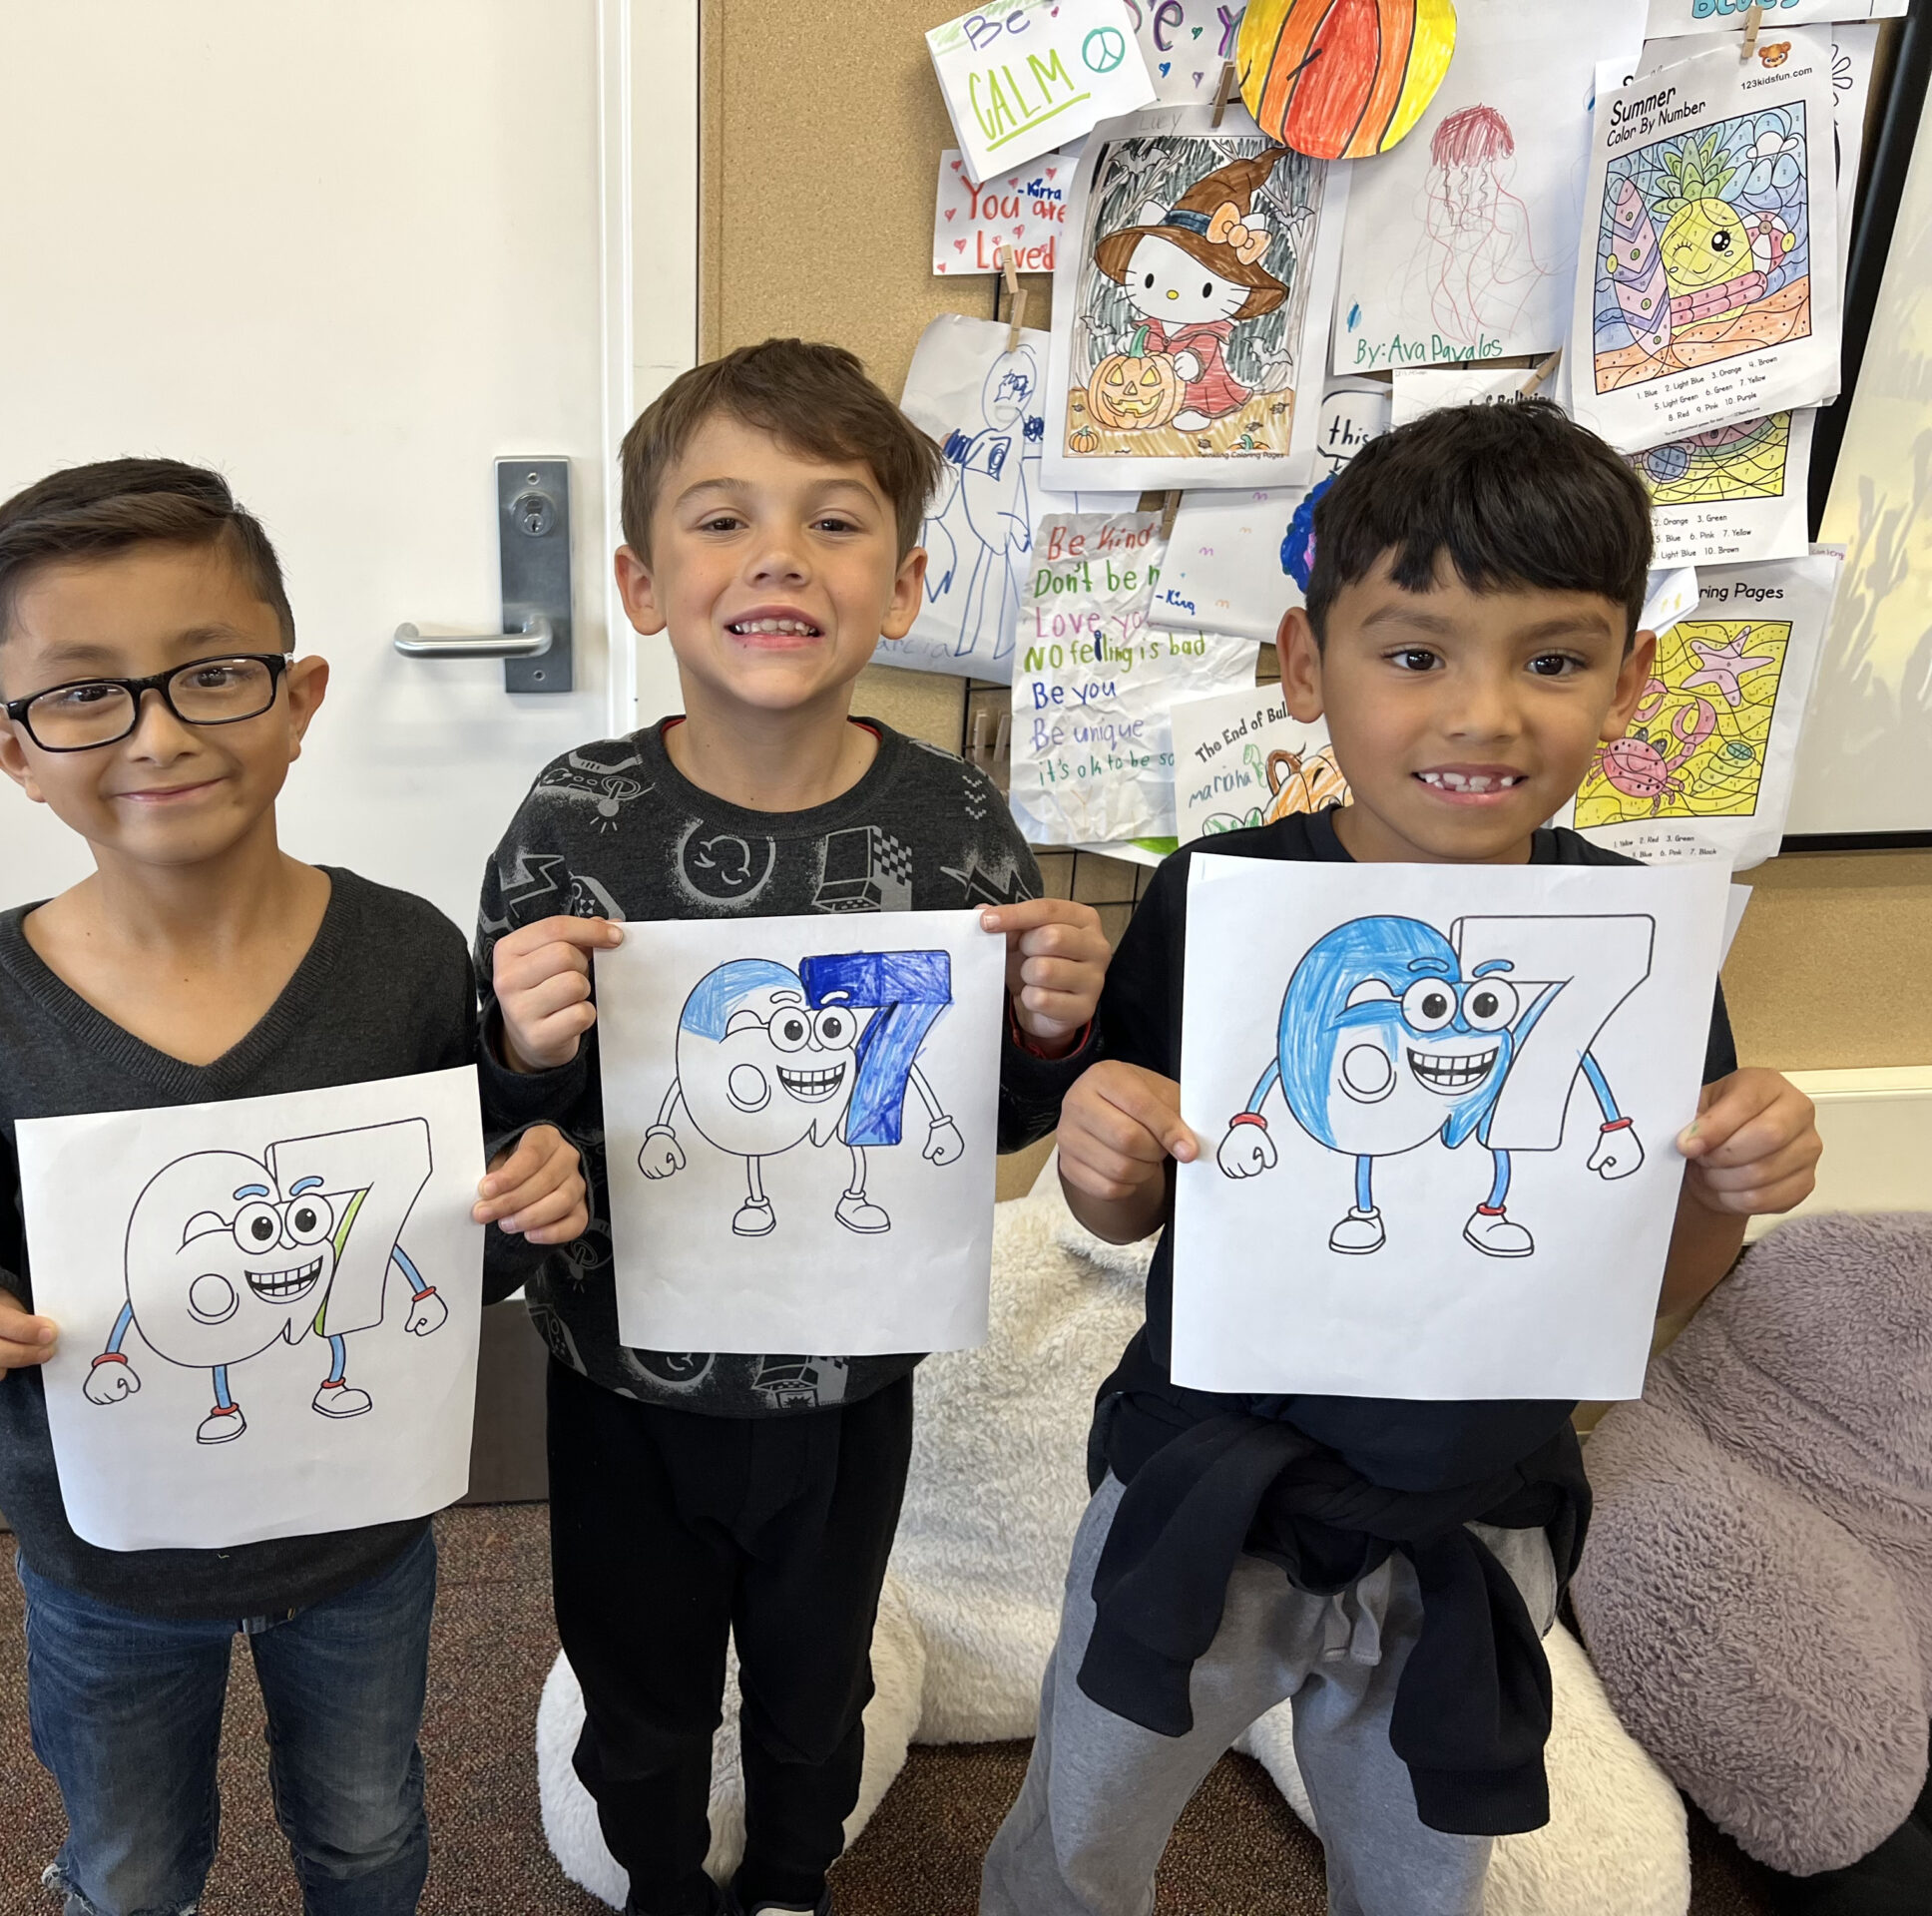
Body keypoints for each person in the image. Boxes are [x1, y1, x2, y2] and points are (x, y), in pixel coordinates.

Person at [982, 399, 1826, 1916]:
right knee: (1086, 1823)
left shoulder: (1634, 945)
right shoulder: (1219, 899)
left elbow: (1659, 1287)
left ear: (1632, 684)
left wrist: (1729, 1181)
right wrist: (1105, 1150)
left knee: (1424, 1867)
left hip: (1476, 1514)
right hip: (1201, 1487)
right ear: (1309, 669)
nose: (1483, 715)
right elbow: (1136, 1200)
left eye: (1554, 660)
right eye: (1415, 652)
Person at [0, 459, 589, 1916]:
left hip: (359, 1532)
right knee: (129, 1865)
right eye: (84, 692)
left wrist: (530, 1183)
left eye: (212, 674)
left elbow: (449, 1251)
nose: (157, 730)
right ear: (7, 745)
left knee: (369, 1833)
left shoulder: (399, 958)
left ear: (301, 696)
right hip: (104, 1555)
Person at [479, 339, 1113, 1916]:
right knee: (638, 1687)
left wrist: (1044, 1026)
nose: (776, 556)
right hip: (621, 1377)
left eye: (833, 523)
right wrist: (516, 1046)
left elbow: (986, 1125)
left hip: (849, 1383)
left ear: (902, 588)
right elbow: (500, 1134)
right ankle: (657, 1878)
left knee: (816, 1678)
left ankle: (786, 1875)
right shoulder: (574, 819)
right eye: (720, 520)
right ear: (637, 581)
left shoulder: (952, 824)